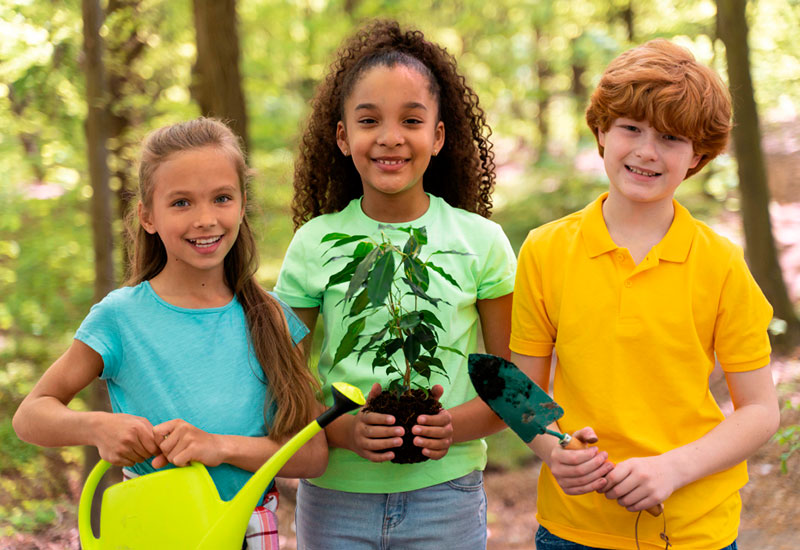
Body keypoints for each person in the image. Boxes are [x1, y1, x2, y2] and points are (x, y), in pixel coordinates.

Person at [510, 39, 781, 549]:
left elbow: (760, 410)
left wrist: (675, 468)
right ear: (601, 132)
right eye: (630, 128)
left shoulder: (721, 264)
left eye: (671, 137)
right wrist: (552, 450)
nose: (646, 151)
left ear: (697, 155)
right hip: (575, 528)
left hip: (694, 529)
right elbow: (522, 390)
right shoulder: (544, 250)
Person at [13, 117, 326, 550]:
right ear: (147, 216)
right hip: (152, 527)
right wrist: (98, 427)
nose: (205, 219)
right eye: (181, 203)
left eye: (221, 198)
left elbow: (312, 453)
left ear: (241, 203)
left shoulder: (270, 317)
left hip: (249, 531)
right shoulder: (120, 318)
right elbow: (30, 415)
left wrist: (220, 446)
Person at [274, 19, 516, 550]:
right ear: (343, 137)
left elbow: (511, 383)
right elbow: (279, 377)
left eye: (411, 119)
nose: (390, 137)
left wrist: (452, 424)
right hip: (335, 497)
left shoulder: (483, 242)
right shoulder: (315, 243)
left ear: (438, 135)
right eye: (369, 120)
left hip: (446, 496)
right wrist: (339, 429)